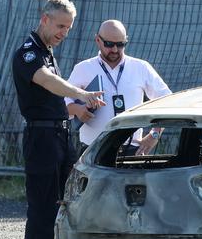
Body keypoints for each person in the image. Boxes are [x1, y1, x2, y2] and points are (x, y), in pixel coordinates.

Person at [11, 0, 104, 239]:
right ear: (45, 19)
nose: (64, 33)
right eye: (61, 26)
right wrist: (82, 93)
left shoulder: (47, 51)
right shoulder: (29, 53)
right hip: (42, 138)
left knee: (70, 203)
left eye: (69, 28)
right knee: (42, 207)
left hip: (61, 135)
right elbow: (47, 81)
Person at [65, 19, 171, 156]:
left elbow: (167, 100)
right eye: (109, 44)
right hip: (93, 151)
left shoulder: (141, 67)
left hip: (132, 150)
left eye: (120, 44)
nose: (115, 50)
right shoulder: (83, 69)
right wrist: (78, 110)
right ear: (98, 40)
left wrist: (154, 135)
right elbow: (62, 104)